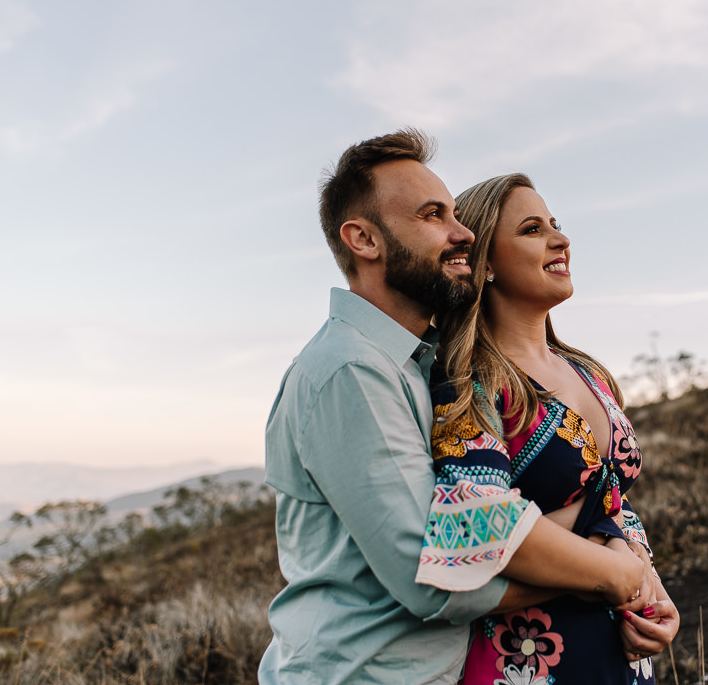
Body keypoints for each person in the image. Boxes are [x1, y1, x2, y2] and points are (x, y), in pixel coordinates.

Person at [259, 130, 652, 685]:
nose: (462, 231)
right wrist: (613, 573)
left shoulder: (414, 362)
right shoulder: (353, 370)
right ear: (364, 240)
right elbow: (435, 578)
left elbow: (596, 497)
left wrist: (633, 566)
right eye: (432, 215)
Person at [415, 173, 680, 685]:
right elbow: (470, 528)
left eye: (556, 225)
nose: (561, 240)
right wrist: (612, 573)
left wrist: (647, 581)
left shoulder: (587, 370)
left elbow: (614, 501)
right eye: (533, 229)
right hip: (525, 662)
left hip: (622, 651)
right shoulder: (470, 381)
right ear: (485, 262)